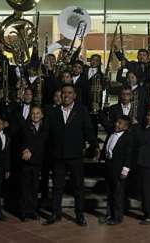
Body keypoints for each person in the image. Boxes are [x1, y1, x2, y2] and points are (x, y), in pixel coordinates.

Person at [44, 83, 97, 226]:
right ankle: (56, 213)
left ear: (74, 95)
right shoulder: (53, 112)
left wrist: (94, 145)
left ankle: (79, 215)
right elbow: (46, 134)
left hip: (75, 155)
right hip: (58, 156)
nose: (66, 95)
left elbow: (88, 130)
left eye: (69, 93)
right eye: (64, 93)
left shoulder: (82, 110)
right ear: (61, 95)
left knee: (78, 187)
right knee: (57, 186)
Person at [99, 115, 134, 226]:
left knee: (117, 194)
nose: (116, 124)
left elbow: (129, 156)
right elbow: (107, 146)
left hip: (119, 169)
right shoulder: (112, 133)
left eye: (119, 123)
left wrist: (125, 171)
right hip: (109, 166)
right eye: (116, 122)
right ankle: (109, 214)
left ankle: (117, 217)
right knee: (110, 193)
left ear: (126, 127)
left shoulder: (128, 138)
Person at [19, 105, 48, 221]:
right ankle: (23, 212)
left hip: (37, 161)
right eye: (33, 113)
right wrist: (24, 149)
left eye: (37, 113)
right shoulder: (25, 127)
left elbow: (41, 143)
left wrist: (30, 150)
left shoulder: (45, 129)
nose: (35, 115)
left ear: (42, 115)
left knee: (34, 188)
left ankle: (32, 211)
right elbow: (20, 141)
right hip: (26, 161)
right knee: (24, 187)